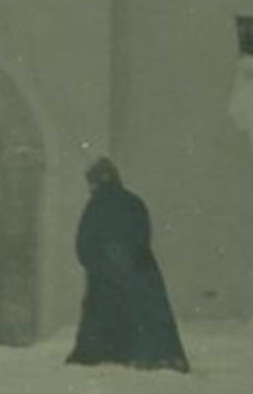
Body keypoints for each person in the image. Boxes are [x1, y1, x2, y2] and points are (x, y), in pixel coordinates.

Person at [66, 157, 189, 372]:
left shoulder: (97, 206)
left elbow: (84, 243)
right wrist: (129, 259)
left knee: (106, 316)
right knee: (146, 311)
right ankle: (154, 355)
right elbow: (142, 236)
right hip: (137, 270)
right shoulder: (132, 202)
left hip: (108, 276)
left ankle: (109, 353)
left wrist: (102, 264)